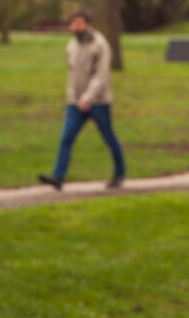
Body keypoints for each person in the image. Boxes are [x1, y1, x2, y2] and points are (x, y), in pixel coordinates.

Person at [38, 11, 126, 190]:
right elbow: (71, 75)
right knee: (66, 138)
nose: (75, 27)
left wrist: (87, 98)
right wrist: (73, 98)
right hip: (75, 103)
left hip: (99, 102)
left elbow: (101, 75)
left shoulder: (100, 44)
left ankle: (119, 173)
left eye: (79, 23)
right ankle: (58, 177)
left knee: (109, 138)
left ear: (88, 25)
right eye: (73, 24)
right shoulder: (71, 46)